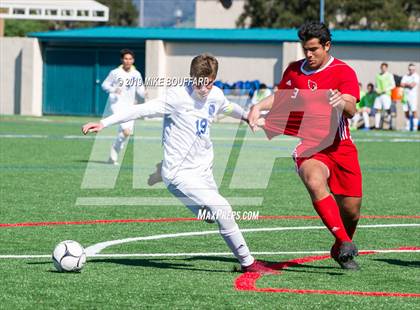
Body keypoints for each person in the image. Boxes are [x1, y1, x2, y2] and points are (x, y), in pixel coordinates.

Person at [82, 54, 274, 274]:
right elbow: (139, 110)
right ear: (191, 77)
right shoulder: (175, 97)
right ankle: (249, 263)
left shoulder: (216, 95)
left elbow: (227, 107)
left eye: (209, 82)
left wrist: (248, 117)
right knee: (223, 210)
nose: (204, 88)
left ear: (214, 79)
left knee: (212, 215)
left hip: (204, 171)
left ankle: (202, 209)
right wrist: (104, 122)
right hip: (179, 174)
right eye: (199, 82)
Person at [249, 21, 362, 270]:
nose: (308, 54)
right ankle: (344, 242)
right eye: (305, 49)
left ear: (327, 46)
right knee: (313, 180)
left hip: (341, 147)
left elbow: (352, 109)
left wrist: (340, 102)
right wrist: (258, 106)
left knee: (352, 211)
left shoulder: (344, 72)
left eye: (314, 49)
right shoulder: (293, 71)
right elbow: (281, 98)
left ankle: (339, 247)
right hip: (310, 146)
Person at [101, 49, 146, 165]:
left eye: (130, 59)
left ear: (133, 60)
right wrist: (114, 89)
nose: (128, 61)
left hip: (129, 106)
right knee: (126, 130)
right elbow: (104, 84)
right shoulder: (115, 72)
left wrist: (144, 94)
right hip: (116, 105)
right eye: (126, 59)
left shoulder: (136, 74)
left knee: (126, 134)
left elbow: (140, 89)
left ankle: (113, 156)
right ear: (122, 60)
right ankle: (113, 155)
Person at [374, 63, 395, 130]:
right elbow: (376, 85)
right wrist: (376, 90)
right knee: (377, 110)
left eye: (384, 67)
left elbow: (393, 85)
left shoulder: (389, 75)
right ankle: (377, 126)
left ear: (386, 68)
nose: (383, 69)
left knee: (387, 110)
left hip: (386, 95)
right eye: (382, 67)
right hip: (379, 95)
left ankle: (390, 126)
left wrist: (385, 90)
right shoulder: (377, 75)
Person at [401, 64, 419, 131]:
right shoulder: (405, 76)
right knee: (406, 111)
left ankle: (415, 127)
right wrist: (407, 84)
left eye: (412, 69)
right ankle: (407, 127)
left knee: (414, 111)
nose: (411, 70)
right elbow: (401, 84)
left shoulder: (416, 76)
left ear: (414, 69)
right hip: (405, 96)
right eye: (410, 69)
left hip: (413, 97)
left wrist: (406, 84)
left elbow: (412, 85)